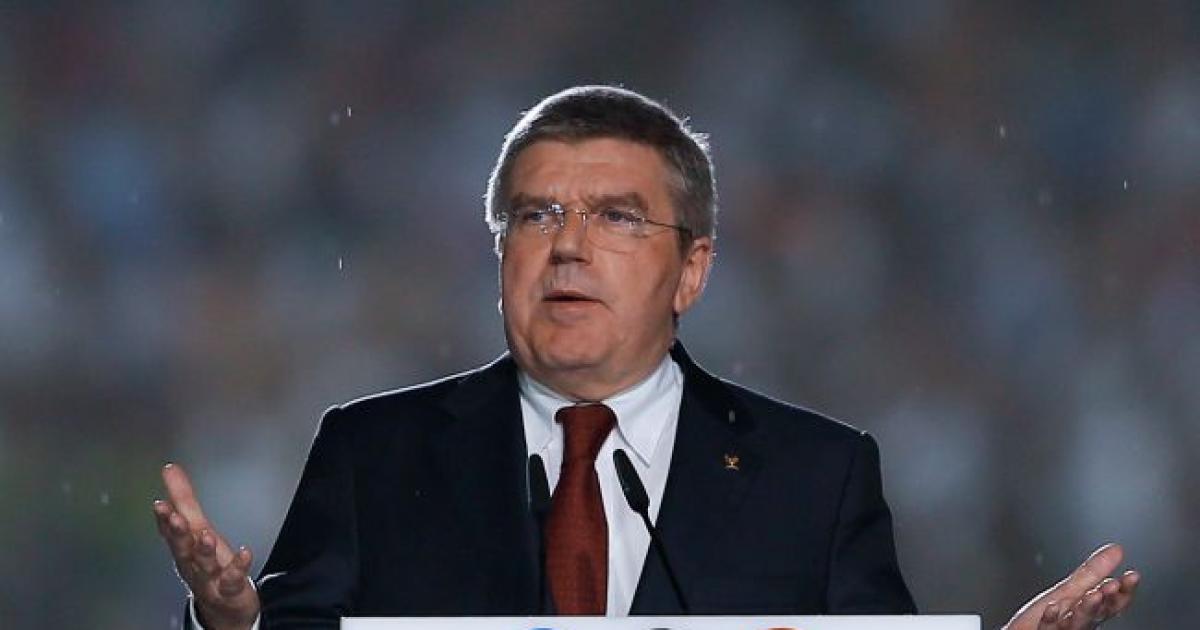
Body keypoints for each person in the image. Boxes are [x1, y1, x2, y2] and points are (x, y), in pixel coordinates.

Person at [154, 86, 1140, 630]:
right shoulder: (374, 450)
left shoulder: (818, 474)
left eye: (617, 218)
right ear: (500, 253)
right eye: (536, 216)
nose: (568, 247)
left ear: (692, 270)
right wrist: (229, 621)